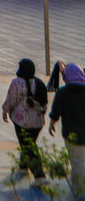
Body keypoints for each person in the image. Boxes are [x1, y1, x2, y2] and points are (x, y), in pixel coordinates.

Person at [2, 58, 48, 187]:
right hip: (38, 121)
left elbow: (11, 99)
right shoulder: (39, 82)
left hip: (22, 120)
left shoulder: (16, 83)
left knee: (28, 146)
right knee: (29, 143)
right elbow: (44, 103)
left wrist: (5, 110)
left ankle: (39, 175)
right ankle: (23, 166)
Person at [48, 62, 85, 199]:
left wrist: (51, 124)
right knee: (80, 162)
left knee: (77, 163)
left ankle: (80, 193)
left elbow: (56, 111)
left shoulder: (63, 92)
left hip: (72, 134)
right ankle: (76, 186)